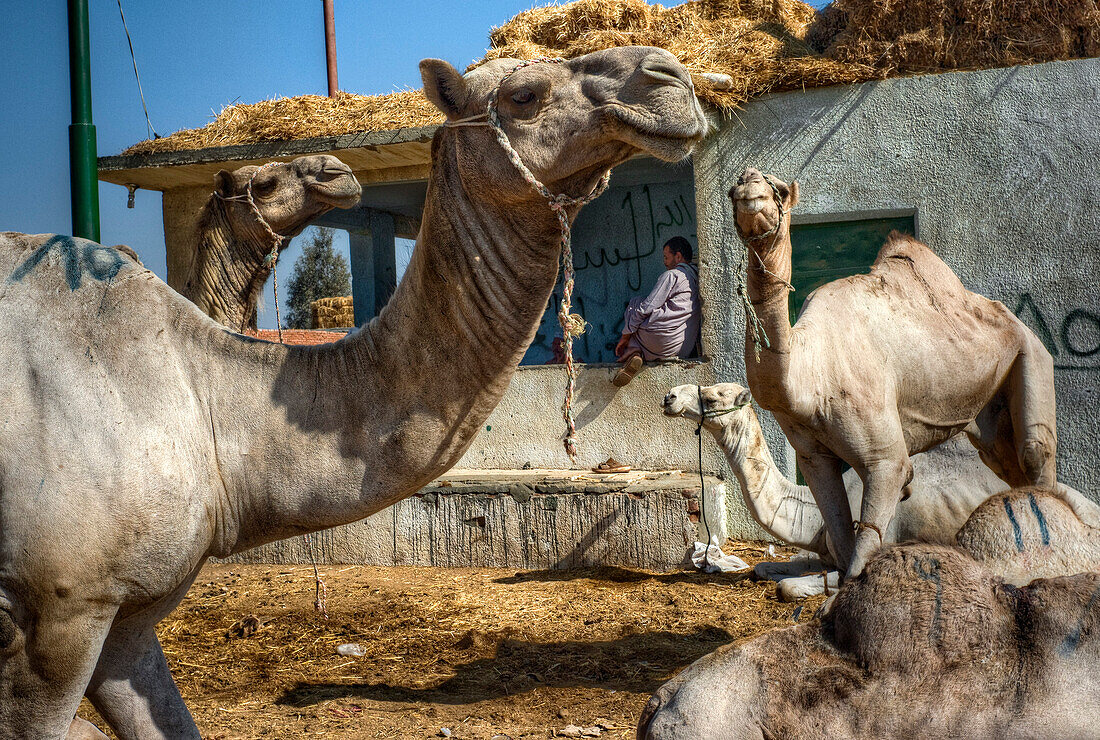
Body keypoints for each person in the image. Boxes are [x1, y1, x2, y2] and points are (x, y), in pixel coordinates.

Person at [613, 236, 701, 386]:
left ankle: (633, 351)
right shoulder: (698, 277)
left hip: (659, 342)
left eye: (666, 257)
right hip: (683, 348)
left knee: (636, 303)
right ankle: (637, 352)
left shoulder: (672, 275)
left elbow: (646, 307)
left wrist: (625, 337)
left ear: (678, 256)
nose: (664, 262)